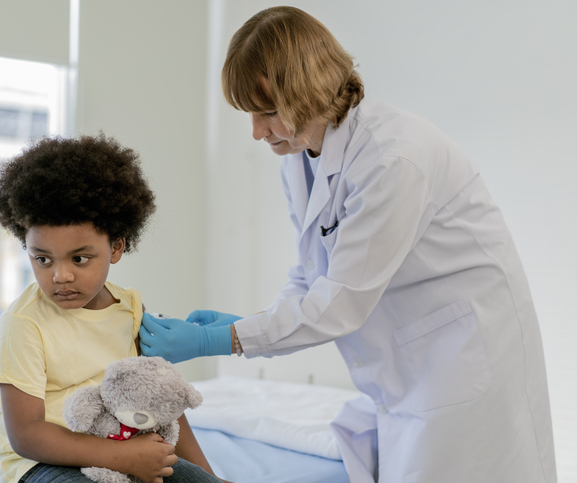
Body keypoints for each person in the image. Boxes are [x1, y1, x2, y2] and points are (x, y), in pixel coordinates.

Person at [139, 6, 556, 483]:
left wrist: (228, 341)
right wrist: (247, 327)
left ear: (307, 90)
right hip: (407, 368)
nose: (256, 131)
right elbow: (310, 274)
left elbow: (339, 303)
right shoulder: (300, 158)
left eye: (267, 112)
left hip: (463, 359)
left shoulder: (393, 157)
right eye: (249, 114)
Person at [0, 134, 224, 483]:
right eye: (42, 259)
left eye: (79, 258)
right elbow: (26, 434)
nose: (60, 275)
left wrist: (209, 476)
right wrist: (123, 458)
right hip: (44, 463)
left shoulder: (129, 309)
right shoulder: (22, 325)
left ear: (116, 247)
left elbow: (159, 398)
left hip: (126, 446)